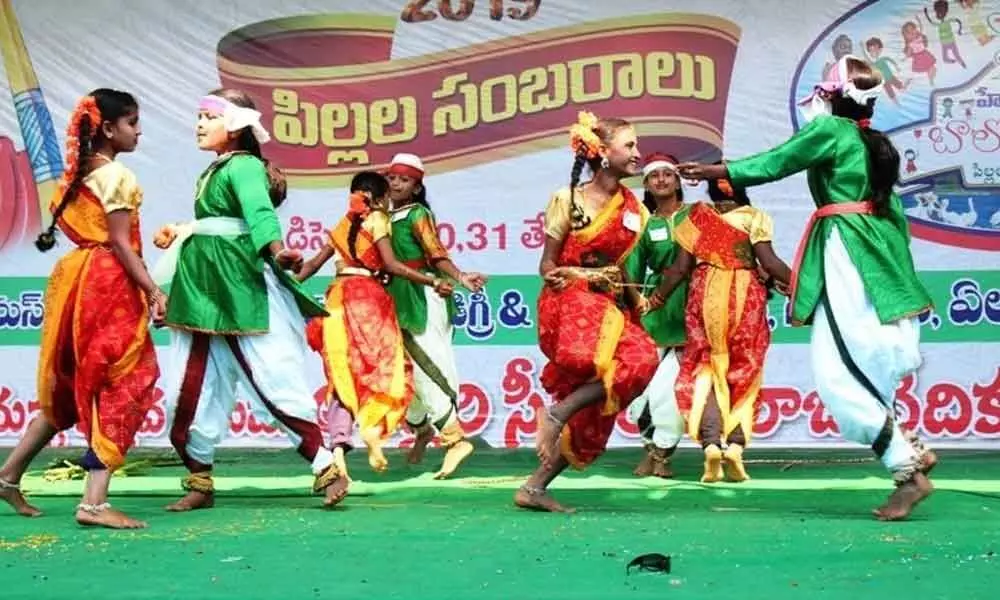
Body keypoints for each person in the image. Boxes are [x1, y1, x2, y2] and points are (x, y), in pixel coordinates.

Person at [678, 55, 936, 520]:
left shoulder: (834, 132)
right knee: (868, 353)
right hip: (875, 255)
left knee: (838, 369)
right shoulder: (870, 141)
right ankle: (908, 443)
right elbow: (895, 219)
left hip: (845, 254)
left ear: (833, 95)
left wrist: (714, 173)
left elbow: (778, 161)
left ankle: (907, 470)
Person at [154, 89, 346, 511]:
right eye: (199, 115)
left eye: (209, 116)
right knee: (188, 388)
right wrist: (184, 230)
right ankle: (199, 480)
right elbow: (221, 224)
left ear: (236, 124)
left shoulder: (243, 166)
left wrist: (277, 251)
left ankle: (324, 465)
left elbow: (259, 214)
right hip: (201, 287)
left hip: (238, 284)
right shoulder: (214, 170)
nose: (200, 123)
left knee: (272, 376)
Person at [0, 90, 161, 528]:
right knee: (122, 381)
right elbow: (121, 246)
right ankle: (94, 503)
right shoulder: (116, 177)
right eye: (132, 122)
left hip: (74, 283)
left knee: (75, 387)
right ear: (109, 129)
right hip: (106, 285)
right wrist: (153, 290)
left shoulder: (77, 175)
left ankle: (8, 475)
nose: (139, 130)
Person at [515, 111, 659, 513]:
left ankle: (535, 486)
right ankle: (558, 414)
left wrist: (638, 305)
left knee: (607, 399)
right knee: (621, 359)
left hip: (609, 306)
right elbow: (547, 263)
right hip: (570, 302)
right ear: (602, 152)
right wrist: (559, 276)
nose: (637, 153)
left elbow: (626, 270)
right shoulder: (569, 200)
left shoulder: (636, 211)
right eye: (629, 145)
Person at [297, 170, 453, 483]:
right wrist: (433, 280)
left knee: (342, 377)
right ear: (381, 199)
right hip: (368, 302)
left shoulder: (342, 224)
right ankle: (372, 429)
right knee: (384, 369)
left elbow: (311, 266)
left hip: (337, 303)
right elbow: (393, 265)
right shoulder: (379, 220)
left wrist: (282, 287)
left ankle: (338, 449)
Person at [647, 176, 791, 482]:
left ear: (711, 191)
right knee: (744, 371)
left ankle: (711, 445)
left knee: (706, 369)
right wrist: (800, 287)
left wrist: (657, 298)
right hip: (744, 297)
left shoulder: (698, 217)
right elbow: (770, 262)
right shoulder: (754, 217)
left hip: (704, 296)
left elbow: (680, 269)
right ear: (743, 191)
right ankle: (736, 448)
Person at [384, 153, 487, 479]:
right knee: (400, 373)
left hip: (422, 298)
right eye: (392, 177)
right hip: (394, 297)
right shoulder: (383, 217)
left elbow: (436, 254)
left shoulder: (417, 214)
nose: (396, 183)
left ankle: (455, 440)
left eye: (404, 179)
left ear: (416, 187)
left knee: (427, 367)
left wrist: (459, 277)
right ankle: (423, 429)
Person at [623, 153, 691, 479]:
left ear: (678, 181)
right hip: (655, 309)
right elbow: (632, 269)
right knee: (644, 386)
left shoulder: (696, 216)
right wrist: (636, 304)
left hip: (691, 305)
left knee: (671, 387)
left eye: (668, 174)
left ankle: (662, 453)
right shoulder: (643, 223)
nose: (661, 180)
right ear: (647, 184)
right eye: (654, 176)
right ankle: (651, 449)